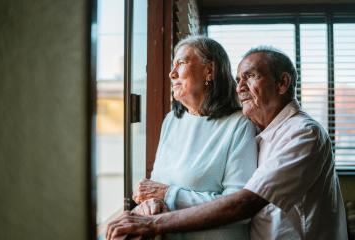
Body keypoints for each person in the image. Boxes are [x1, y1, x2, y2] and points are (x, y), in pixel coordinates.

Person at [106, 46, 348, 240]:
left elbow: (243, 204)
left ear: (282, 83)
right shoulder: (259, 129)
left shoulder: (303, 134)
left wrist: (152, 223)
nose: (240, 86)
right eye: (238, 79)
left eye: (250, 76)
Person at [112, 35, 257, 240]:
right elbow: (157, 186)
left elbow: (238, 207)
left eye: (181, 63)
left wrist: (168, 194)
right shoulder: (171, 120)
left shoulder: (240, 125)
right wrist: (150, 203)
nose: (172, 73)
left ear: (209, 71)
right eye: (173, 65)